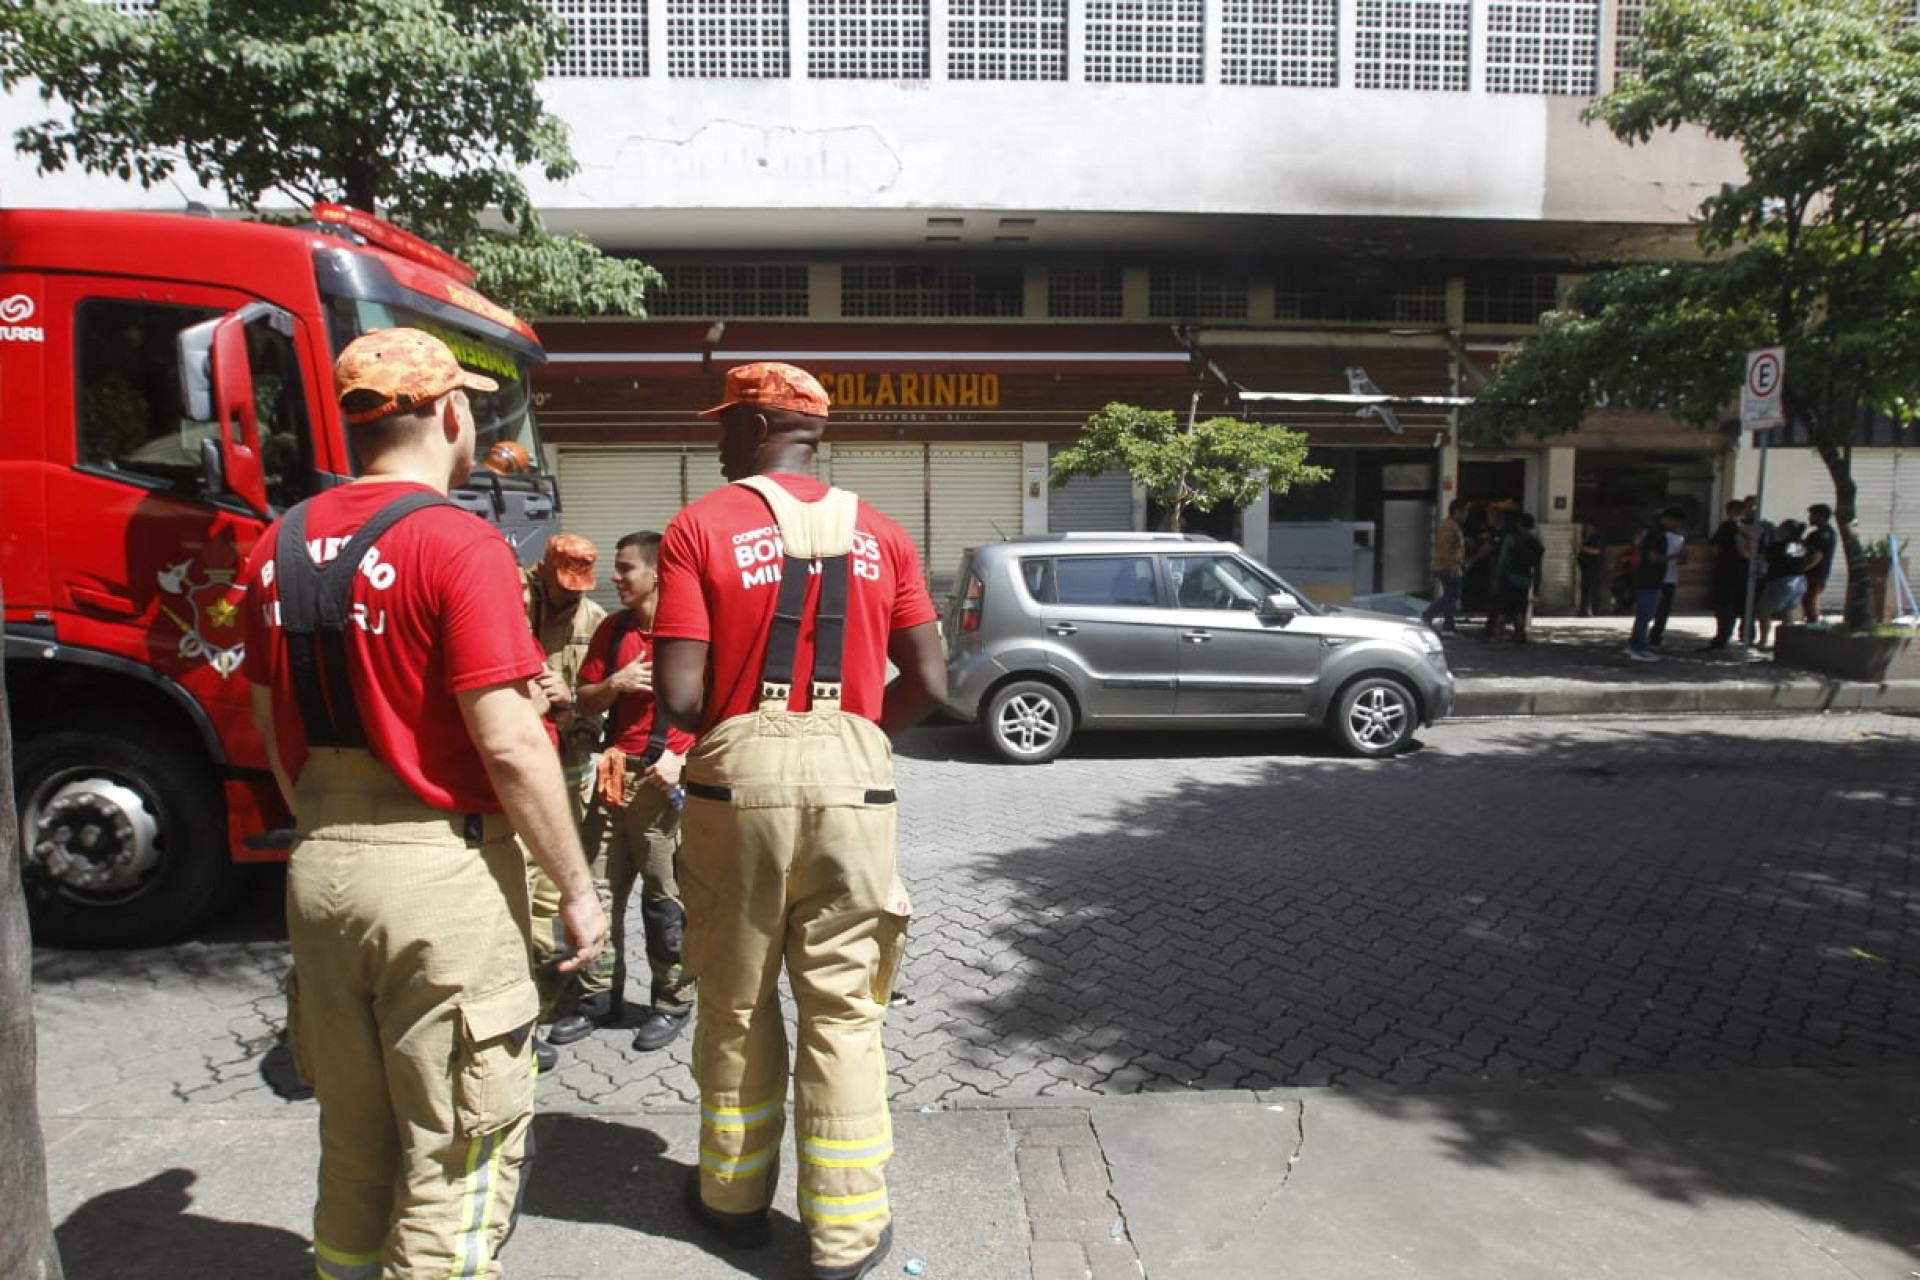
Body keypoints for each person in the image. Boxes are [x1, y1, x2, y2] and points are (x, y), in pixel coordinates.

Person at [240, 328, 607, 1277]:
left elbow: (269, 725)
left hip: (320, 869)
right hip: (440, 877)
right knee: (456, 1149)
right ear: (451, 414)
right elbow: (513, 740)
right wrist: (575, 885)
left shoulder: (273, 548)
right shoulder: (459, 543)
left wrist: (331, 822)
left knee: (354, 1138)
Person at [653, 361, 946, 1280]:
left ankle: (732, 1204)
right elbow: (933, 683)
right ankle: (847, 1237)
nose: (714, 438)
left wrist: (753, 727)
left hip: (737, 788)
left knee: (737, 1002)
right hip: (857, 789)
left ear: (752, 425)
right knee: (845, 1013)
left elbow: (682, 697)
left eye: (724, 423)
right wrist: (854, 733)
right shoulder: (885, 534)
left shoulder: (699, 527)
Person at [558, 531, 700, 1052]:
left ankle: (671, 1001)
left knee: (665, 900)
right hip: (615, 778)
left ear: (658, 572)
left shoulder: (691, 633)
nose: (614, 579)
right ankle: (598, 999)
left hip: (664, 786)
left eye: (625, 569)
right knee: (598, 891)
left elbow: (729, 707)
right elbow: (587, 701)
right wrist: (613, 684)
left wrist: (682, 758)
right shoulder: (613, 631)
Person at [522, 534, 609, 1054]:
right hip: (521, 776)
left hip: (570, 773)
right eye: (564, 583)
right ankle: (526, 1009)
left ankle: (556, 994)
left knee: (562, 890)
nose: (572, 594)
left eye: (581, 585)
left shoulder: (592, 619)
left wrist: (572, 705)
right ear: (544, 570)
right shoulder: (516, 604)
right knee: (523, 889)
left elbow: (596, 701)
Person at [1626, 507, 1682, 662]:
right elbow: (1653, 558)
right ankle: (1637, 646)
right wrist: (1674, 556)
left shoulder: (1651, 533)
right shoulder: (1658, 536)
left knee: (1644, 614)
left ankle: (1636, 644)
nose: (1677, 526)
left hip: (1648, 578)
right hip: (1651, 579)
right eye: (1676, 522)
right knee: (1646, 614)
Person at [1756, 517, 1820, 648]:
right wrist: (1804, 568)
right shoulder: (1798, 544)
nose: (1778, 529)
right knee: (1788, 611)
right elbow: (1816, 555)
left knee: (1764, 610)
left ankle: (1763, 640)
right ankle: (1788, 643)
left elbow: (1767, 558)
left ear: (1787, 530)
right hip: (1798, 580)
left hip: (1781, 581)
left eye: (1781, 527)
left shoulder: (1779, 546)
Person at [1706, 498, 1754, 649]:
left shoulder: (1728, 526)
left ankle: (1722, 638)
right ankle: (1748, 636)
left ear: (1730, 511)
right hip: (1747, 570)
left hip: (1727, 570)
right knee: (1745, 606)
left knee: (1725, 606)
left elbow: (1715, 548)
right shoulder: (1756, 528)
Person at [1493, 512, 1544, 644]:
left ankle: (1499, 636)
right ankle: (1519, 635)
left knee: (1504, 607)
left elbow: (1502, 559)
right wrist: (1537, 588)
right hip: (1525, 580)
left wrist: (1498, 577)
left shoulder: (1511, 539)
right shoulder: (1537, 544)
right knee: (1520, 608)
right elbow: (1538, 568)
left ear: (1519, 524)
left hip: (1509, 577)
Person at [1423, 498, 1467, 635]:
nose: (1466, 515)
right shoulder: (1448, 526)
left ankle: (1442, 621)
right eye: (1465, 511)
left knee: (1450, 596)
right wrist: (1453, 566)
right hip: (1447, 567)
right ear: (1457, 512)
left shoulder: (1452, 525)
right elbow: (1446, 548)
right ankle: (1439, 621)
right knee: (1451, 597)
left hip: (1448, 566)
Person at [1648, 508, 1688, 647]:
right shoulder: (1660, 536)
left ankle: (1655, 635)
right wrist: (1674, 557)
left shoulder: (1678, 538)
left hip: (1668, 577)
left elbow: (1683, 559)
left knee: (1661, 609)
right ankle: (1654, 636)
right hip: (1662, 576)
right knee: (1659, 609)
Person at [1803, 503, 1837, 623]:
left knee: (1810, 601)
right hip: (1815, 574)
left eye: (1812, 515)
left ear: (1821, 516)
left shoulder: (1822, 535)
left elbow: (1817, 556)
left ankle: (1814, 624)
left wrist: (1803, 568)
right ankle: (1811, 622)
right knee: (1808, 600)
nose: (1809, 518)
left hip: (1816, 574)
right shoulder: (1820, 533)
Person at [1576, 521, 1606, 617]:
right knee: (1586, 589)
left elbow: (1596, 551)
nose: (1587, 530)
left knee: (1591, 590)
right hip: (1586, 569)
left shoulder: (1597, 539)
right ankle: (1584, 610)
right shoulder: (1587, 539)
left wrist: (1582, 548)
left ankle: (1591, 610)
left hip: (1593, 569)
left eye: (1589, 528)